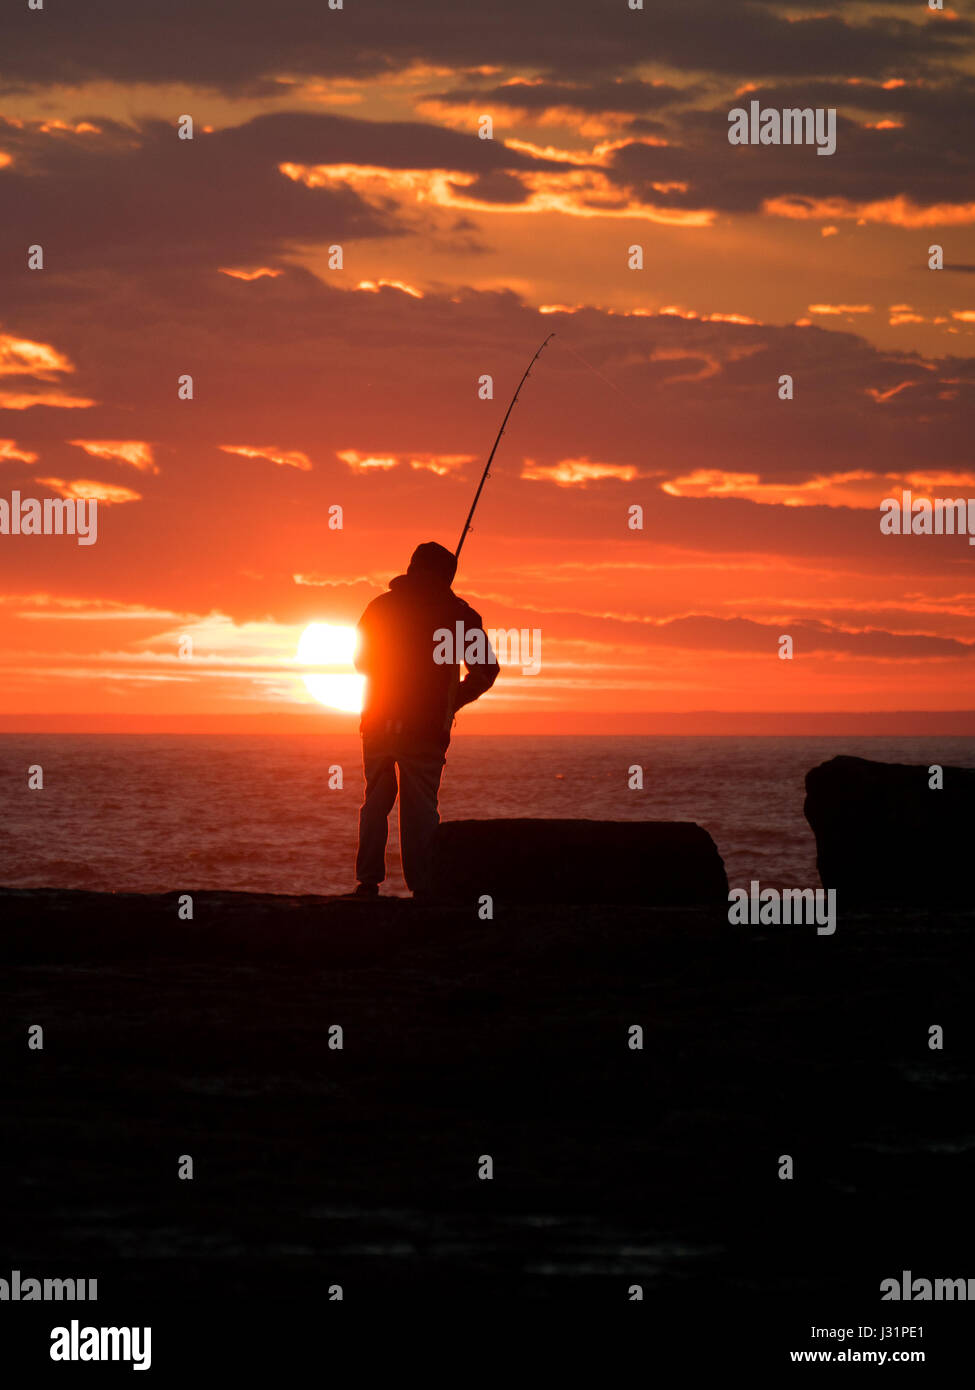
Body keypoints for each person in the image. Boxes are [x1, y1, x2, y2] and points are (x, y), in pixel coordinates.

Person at [350, 541, 499, 898]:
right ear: (447, 576)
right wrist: (450, 702)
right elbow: (486, 671)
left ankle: (368, 883)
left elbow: (360, 661)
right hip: (427, 728)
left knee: (376, 802)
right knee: (420, 809)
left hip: (379, 722)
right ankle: (424, 889)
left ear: (412, 568)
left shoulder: (380, 608)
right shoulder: (459, 615)